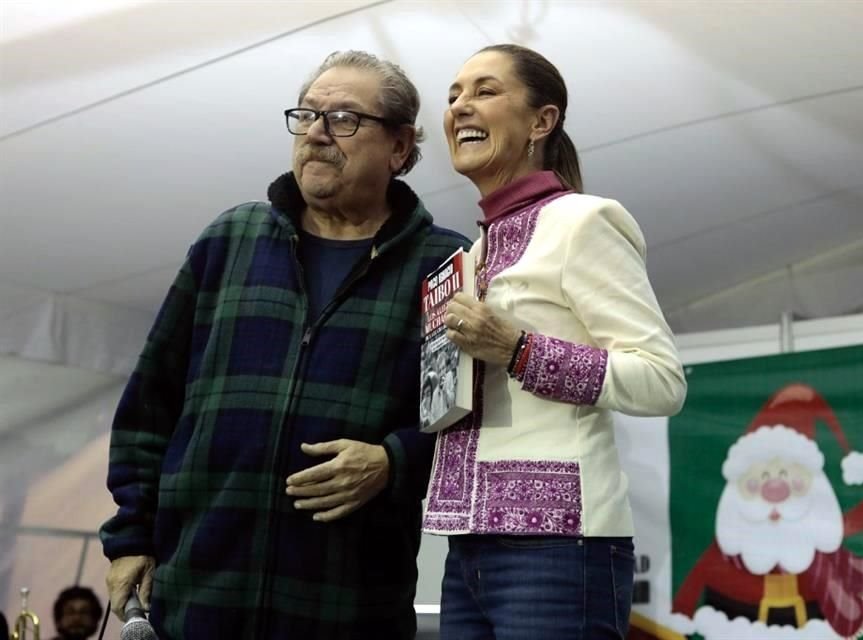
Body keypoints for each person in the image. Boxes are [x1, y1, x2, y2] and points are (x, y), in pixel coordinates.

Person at [99, 50, 470, 640]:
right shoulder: (229, 240)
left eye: (345, 118)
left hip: (347, 605)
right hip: (198, 596)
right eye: (307, 115)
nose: (318, 134)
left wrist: (391, 461)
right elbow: (150, 404)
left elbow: (463, 426)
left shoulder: (445, 266)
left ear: (399, 148)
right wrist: (130, 538)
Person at [422, 44, 688, 639]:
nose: (461, 105)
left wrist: (520, 349)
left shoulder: (582, 222)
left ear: (542, 121)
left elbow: (661, 380)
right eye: (453, 95)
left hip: (560, 542)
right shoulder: (467, 258)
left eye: (485, 91)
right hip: (466, 544)